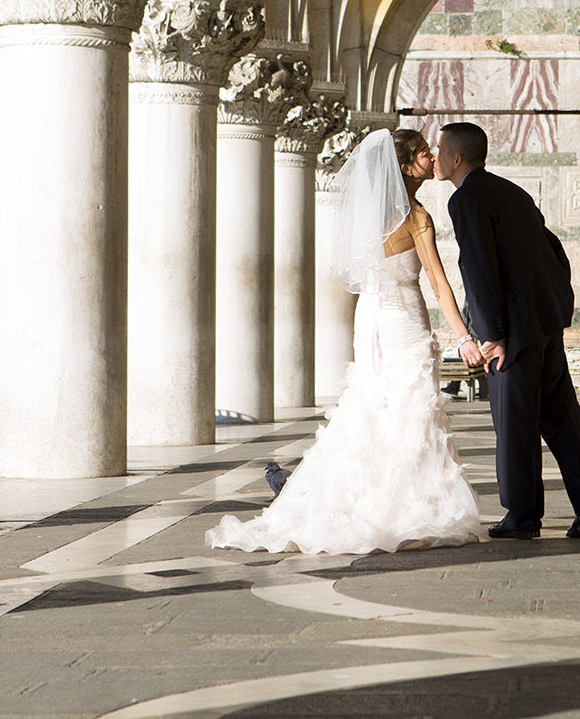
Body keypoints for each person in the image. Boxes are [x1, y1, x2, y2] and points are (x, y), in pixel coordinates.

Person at [206, 129, 484, 555]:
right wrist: (463, 336)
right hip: (402, 317)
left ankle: (357, 499)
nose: (432, 158)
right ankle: (406, 504)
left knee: (370, 404)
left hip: (369, 315)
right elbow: (439, 284)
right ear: (406, 165)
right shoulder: (417, 218)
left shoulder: (369, 216)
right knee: (410, 403)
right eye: (425, 153)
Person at [435, 121, 580, 540]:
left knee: (514, 424)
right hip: (545, 322)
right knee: (560, 416)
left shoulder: (467, 200)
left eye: (439, 149)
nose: (435, 155)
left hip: (511, 332)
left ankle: (522, 516)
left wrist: (491, 332)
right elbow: (554, 251)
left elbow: (479, 269)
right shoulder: (511, 191)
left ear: (456, 158)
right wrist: (552, 311)